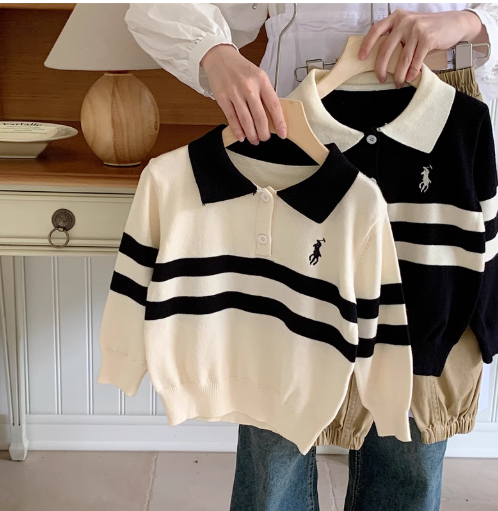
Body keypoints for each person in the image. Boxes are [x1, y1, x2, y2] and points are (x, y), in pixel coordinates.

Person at [124, 4, 498, 511]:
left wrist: (473, 21)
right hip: (295, 131)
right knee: (276, 423)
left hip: (441, 130)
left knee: (413, 424)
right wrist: (212, 53)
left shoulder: (465, 124)